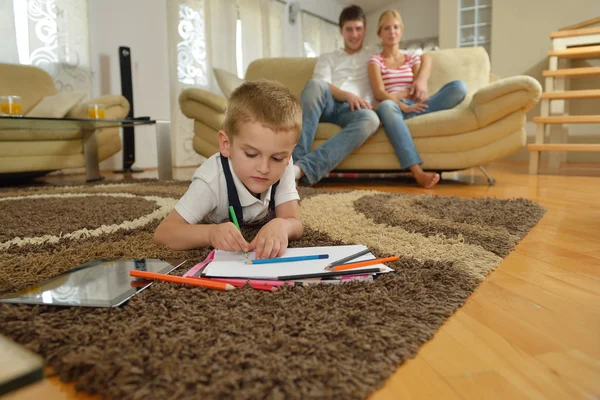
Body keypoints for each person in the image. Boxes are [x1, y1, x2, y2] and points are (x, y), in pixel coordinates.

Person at [154, 80, 303, 259]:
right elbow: (164, 233)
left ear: (288, 154)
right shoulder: (211, 179)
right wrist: (210, 234)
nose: (264, 168)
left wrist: (283, 226)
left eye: (277, 158)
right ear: (226, 145)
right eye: (250, 154)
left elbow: (295, 222)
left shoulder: (285, 163)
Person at [368, 10, 467, 189]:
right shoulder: (375, 60)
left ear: (401, 31)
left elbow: (417, 90)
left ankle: (398, 121)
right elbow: (379, 93)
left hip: (416, 107)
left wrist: (420, 82)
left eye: (396, 27)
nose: (392, 32)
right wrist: (400, 103)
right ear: (379, 33)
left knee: (458, 87)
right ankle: (417, 172)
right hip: (392, 108)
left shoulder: (411, 57)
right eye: (387, 28)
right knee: (386, 106)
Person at [292, 5, 380, 186]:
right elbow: (321, 83)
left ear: (365, 29)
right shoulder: (328, 57)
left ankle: (301, 169)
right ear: (341, 30)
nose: (354, 35)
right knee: (315, 85)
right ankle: (292, 162)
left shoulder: (374, 56)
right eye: (349, 29)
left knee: (372, 119)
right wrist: (347, 95)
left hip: (355, 111)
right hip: (328, 104)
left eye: (358, 29)